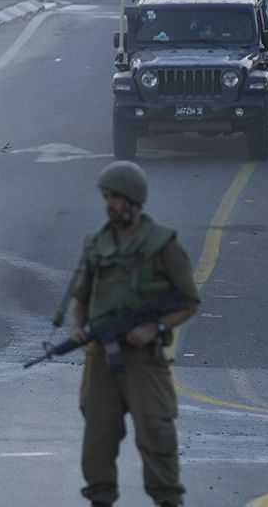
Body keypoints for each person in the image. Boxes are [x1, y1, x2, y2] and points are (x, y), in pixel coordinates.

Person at [65, 161, 202, 507]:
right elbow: (81, 298)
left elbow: (189, 301)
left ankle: (168, 499)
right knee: (97, 437)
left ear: (134, 201)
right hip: (101, 359)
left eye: (115, 198)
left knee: (156, 433)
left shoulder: (162, 244)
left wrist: (153, 327)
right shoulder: (97, 244)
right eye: (105, 197)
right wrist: (77, 327)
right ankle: (100, 498)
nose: (108, 204)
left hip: (144, 359)